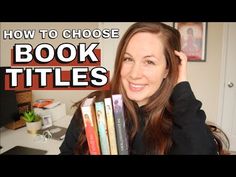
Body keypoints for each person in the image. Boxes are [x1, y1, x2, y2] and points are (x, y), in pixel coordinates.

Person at [60, 22, 229, 155]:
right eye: (128, 59)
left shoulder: (183, 120)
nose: (134, 74)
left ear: (168, 69)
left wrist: (182, 86)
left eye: (149, 62)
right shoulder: (94, 105)